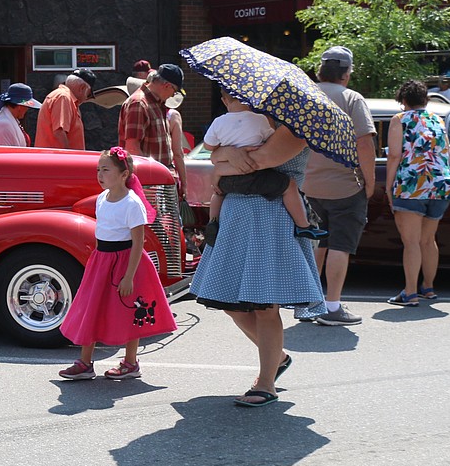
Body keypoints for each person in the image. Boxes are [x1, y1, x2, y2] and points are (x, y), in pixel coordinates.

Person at [190, 112, 328, 407]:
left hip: (273, 221)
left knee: (266, 306)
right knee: (229, 302)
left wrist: (224, 154)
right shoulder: (251, 122)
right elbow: (220, 162)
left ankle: (266, 383)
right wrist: (223, 156)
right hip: (235, 220)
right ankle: (277, 357)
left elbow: (254, 162)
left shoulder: (296, 128)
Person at [58, 147, 176, 381]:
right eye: (98, 170)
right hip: (102, 260)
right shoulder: (102, 198)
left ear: (124, 174)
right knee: (92, 307)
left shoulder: (132, 203)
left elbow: (138, 241)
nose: (100, 175)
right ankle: (85, 363)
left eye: (106, 170)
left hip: (125, 262)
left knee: (130, 310)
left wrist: (129, 276)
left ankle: (131, 362)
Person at [304, 46, 376, 327]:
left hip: (309, 185)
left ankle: (311, 303)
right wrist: (370, 182)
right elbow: (365, 143)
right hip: (345, 185)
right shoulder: (352, 99)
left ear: (320, 70)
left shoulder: (306, 96)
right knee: (340, 246)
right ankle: (332, 307)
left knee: (317, 244)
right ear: (346, 74)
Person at [202, 89, 327, 240]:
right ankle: (303, 226)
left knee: (217, 194)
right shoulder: (258, 119)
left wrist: (220, 168)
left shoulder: (299, 124)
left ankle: (212, 222)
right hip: (257, 211)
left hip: (271, 213)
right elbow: (217, 156)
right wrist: (226, 155)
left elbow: (257, 160)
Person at [386, 79, 450, 307]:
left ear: (403, 101)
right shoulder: (438, 119)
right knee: (428, 240)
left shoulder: (400, 120)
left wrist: (389, 187)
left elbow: (394, 156)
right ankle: (429, 288)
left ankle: (410, 292)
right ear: (426, 99)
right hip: (441, 184)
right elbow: (447, 153)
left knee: (412, 243)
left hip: (412, 185)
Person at [118, 63, 189, 199]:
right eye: (174, 92)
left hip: (158, 184)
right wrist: (149, 184)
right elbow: (133, 149)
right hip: (149, 186)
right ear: (167, 85)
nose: (172, 96)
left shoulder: (156, 103)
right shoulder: (138, 104)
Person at [34, 68, 96, 150]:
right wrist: (69, 158)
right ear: (82, 88)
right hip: (56, 160)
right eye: (88, 94)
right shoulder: (63, 98)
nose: (86, 98)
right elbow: (59, 132)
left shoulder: (65, 98)